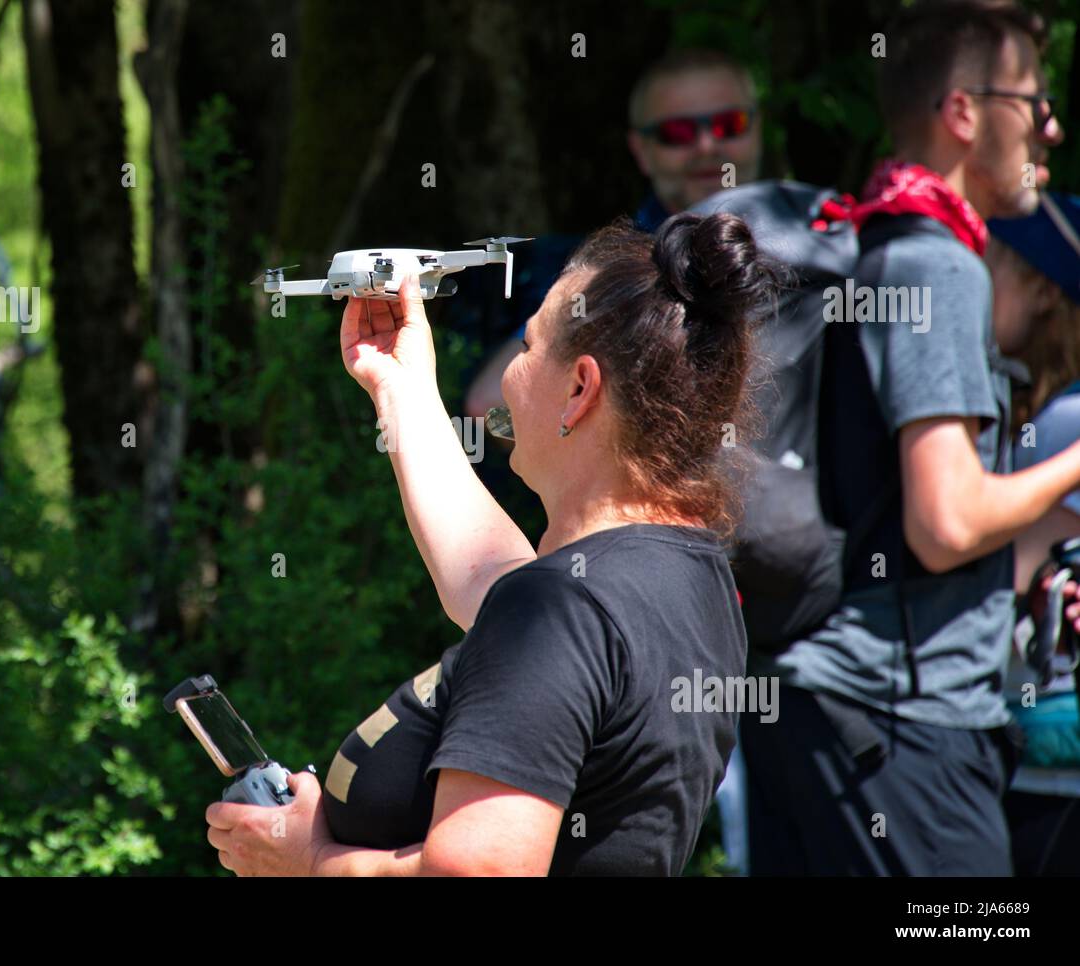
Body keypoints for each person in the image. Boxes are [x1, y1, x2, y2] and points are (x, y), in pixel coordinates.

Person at [204, 212, 775, 875]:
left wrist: (308, 860)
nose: (507, 373)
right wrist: (402, 385)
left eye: (526, 347)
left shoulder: (565, 609)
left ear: (580, 389)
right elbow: (496, 585)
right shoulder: (682, 578)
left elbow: (480, 871)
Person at [742, 0, 1072, 876]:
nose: (1052, 127)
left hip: (828, 705)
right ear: (966, 112)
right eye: (1033, 102)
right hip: (896, 719)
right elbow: (947, 520)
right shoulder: (936, 263)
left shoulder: (882, 241)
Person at [463, 48, 763, 419]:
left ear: (757, 127)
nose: (707, 146)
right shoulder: (614, 266)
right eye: (677, 133)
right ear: (640, 150)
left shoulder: (823, 241)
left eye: (727, 125)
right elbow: (493, 402)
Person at [987, 193, 1080, 874]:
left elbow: (1006, 584)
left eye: (984, 265)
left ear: (1043, 290)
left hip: (1053, 773)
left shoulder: (1062, 423)